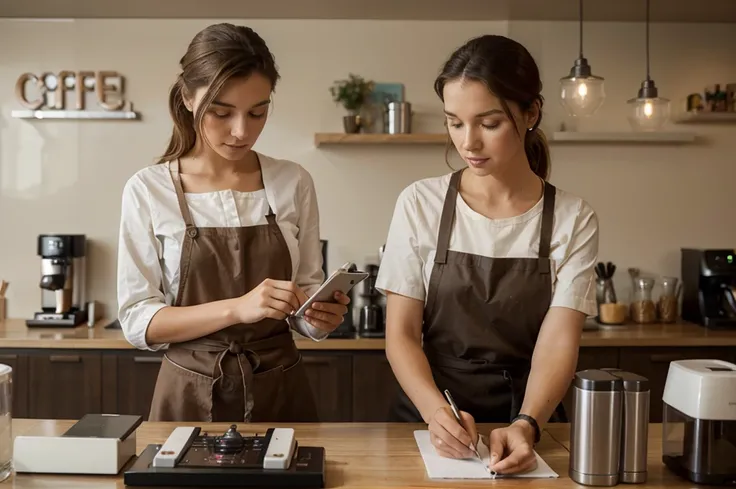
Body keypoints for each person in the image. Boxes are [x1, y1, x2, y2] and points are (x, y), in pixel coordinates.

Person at [375, 34, 599, 475]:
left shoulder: (573, 217)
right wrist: (436, 413)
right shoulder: (420, 203)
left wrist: (527, 423)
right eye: (454, 122)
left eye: (488, 123)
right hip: (429, 417)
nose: (469, 142)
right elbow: (400, 334)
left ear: (530, 113)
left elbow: (558, 342)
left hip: (529, 417)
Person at [116, 23, 350, 423]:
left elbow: (307, 288)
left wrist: (318, 318)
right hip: (187, 392)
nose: (242, 131)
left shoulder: (292, 181)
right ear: (188, 98)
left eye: (257, 112)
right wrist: (236, 309)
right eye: (222, 112)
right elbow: (139, 321)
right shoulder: (149, 189)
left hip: (281, 388)